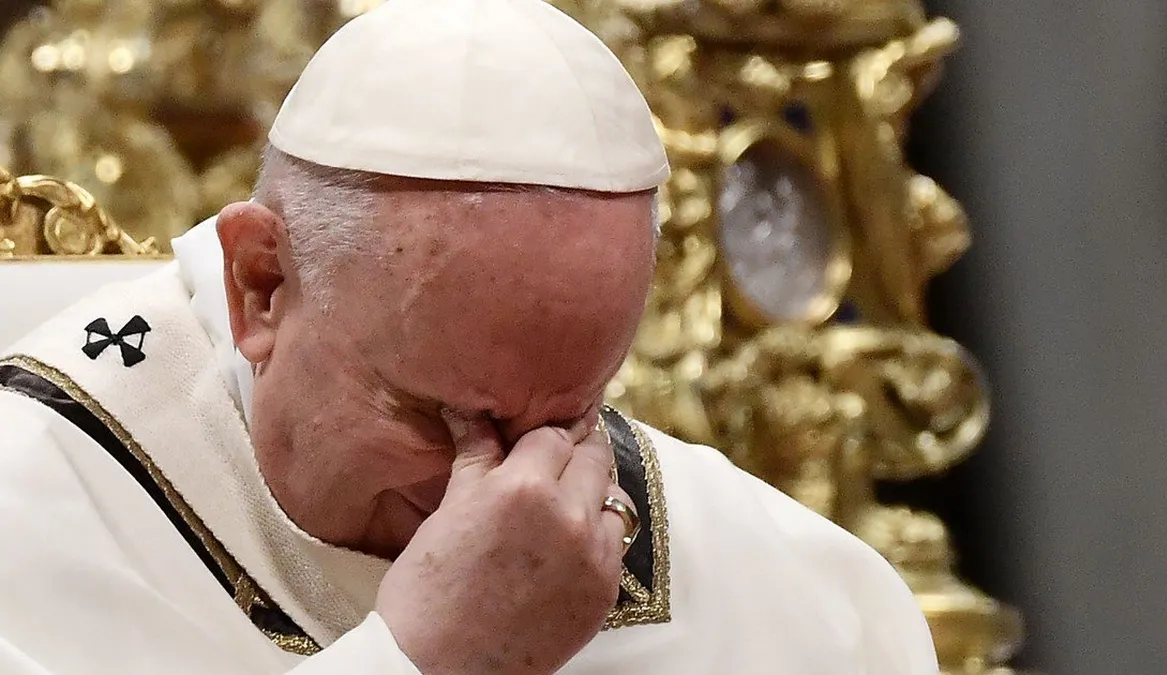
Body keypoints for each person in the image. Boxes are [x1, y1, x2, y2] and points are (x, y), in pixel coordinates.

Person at [0, 0, 938, 672]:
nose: (508, 501)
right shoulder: (35, 510)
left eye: (568, 417)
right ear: (263, 286)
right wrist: (425, 658)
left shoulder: (796, 594)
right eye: (439, 417)